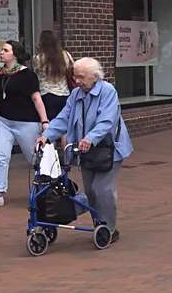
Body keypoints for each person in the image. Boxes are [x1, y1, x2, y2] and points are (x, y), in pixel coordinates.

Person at [39, 57, 133, 239]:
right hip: (85, 150)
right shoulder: (76, 94)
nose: (77, 81)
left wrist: (91, 138)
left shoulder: (108, 91)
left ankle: (109, 228)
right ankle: (99, 223)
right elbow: (64, 117)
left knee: (102, 189)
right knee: (90, 191)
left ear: (95, 77)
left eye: (81, 77)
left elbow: (107, 120)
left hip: (108, 149)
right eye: (75, 77)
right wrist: (47, 135)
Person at [0, 40, 49, 207]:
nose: (1, 52)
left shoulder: (28, 75)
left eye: (5, 50)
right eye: (1, 50)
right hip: (4, 121)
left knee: (34, 158)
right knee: (0, 156)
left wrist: (45, 121)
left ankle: (47, 185)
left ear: (15, 54)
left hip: (26, 122)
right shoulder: (0, 72)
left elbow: (36, 98)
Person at [34, 29, 74, 121]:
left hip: (46, 94)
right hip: (64, 93)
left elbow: (36, 74)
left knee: (51, 124)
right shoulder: (66, 55)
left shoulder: (38, 58)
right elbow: (72, 69)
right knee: (63, 123)